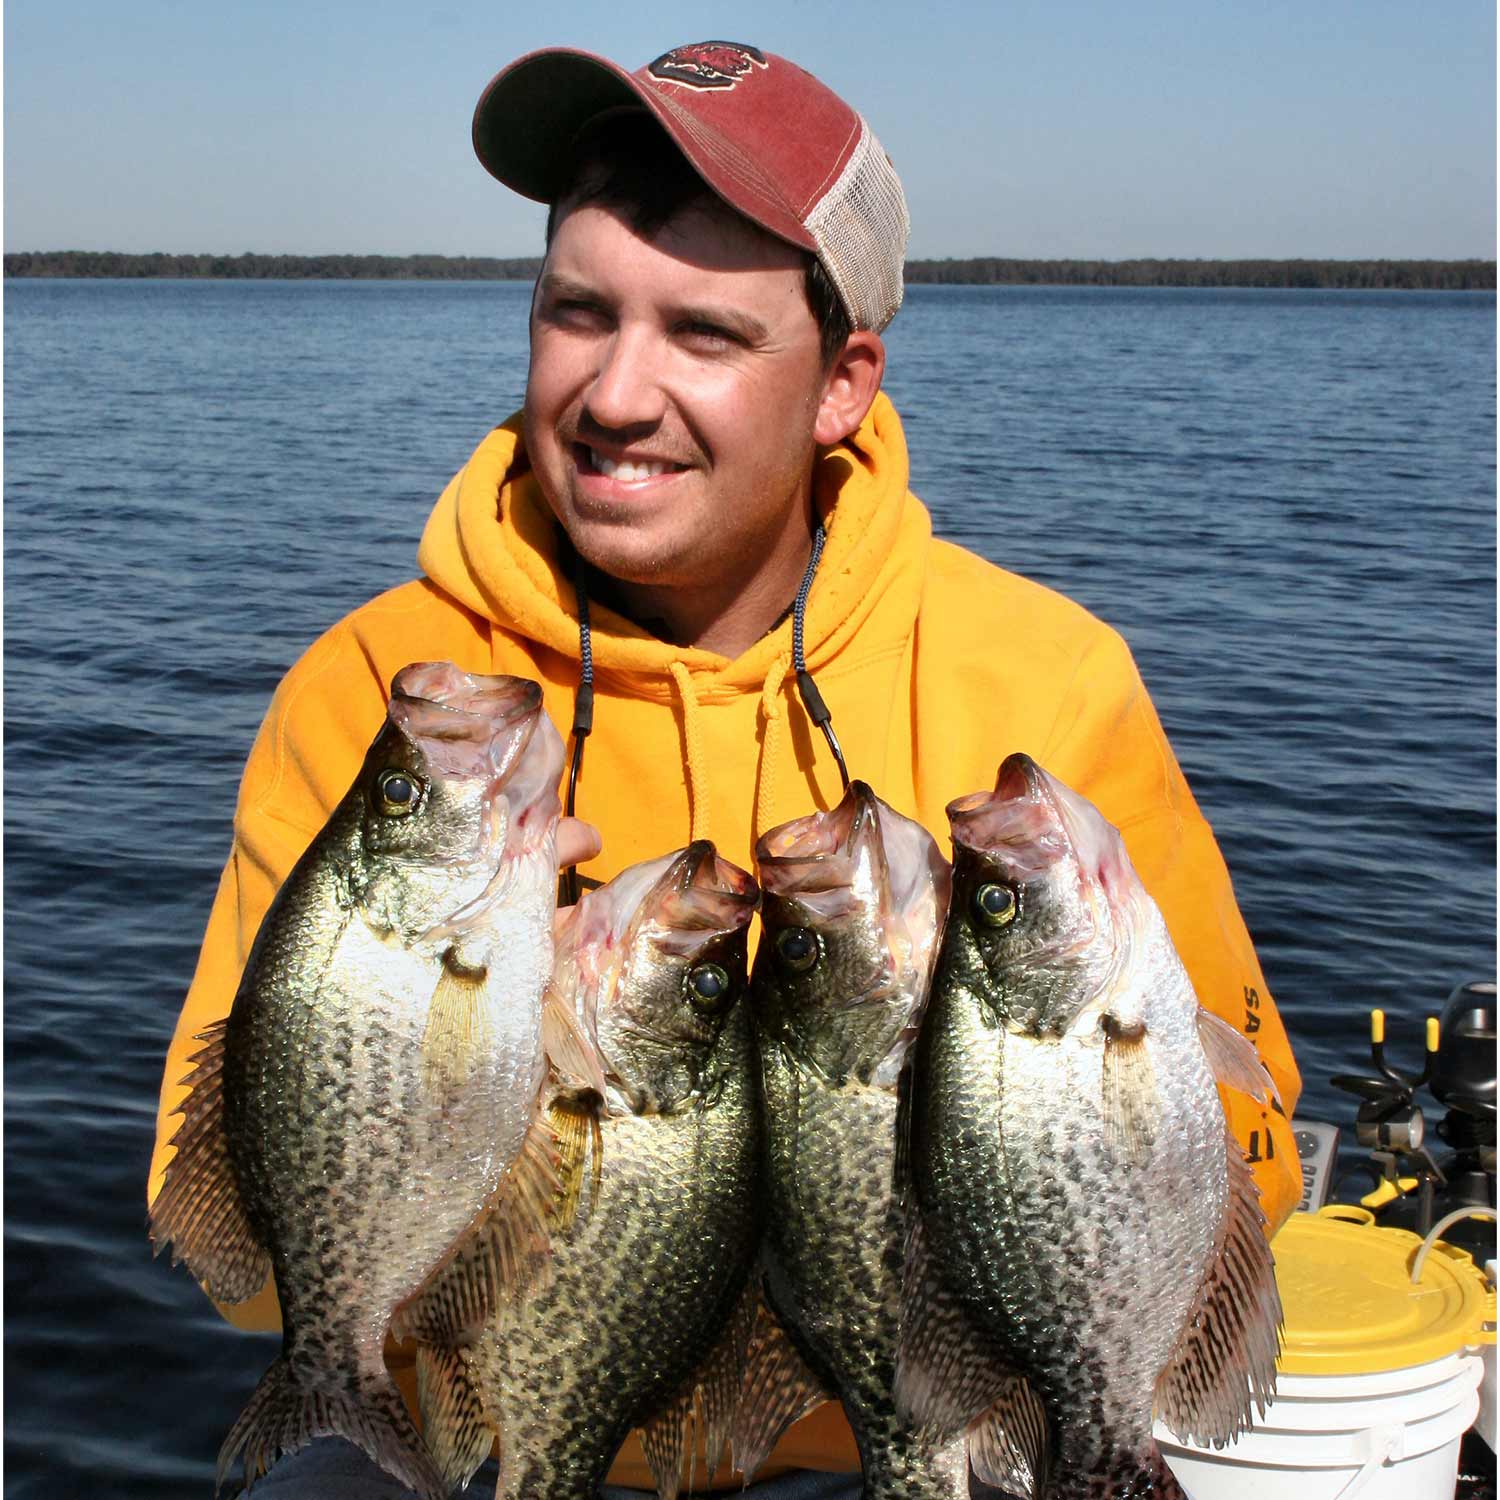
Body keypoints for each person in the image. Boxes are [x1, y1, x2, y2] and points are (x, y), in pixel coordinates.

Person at [149, 39, 1303, 1499]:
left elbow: (1251, 1161)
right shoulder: (375, 689)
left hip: (920, 1447)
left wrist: (993, 1083)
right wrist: (506, 1089)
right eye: (578, 312)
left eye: (704, 333)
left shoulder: (1045, 680)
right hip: (477, 1444)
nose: (618, 393)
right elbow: (253, 1240)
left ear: (841, 383)